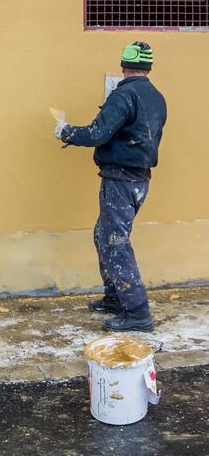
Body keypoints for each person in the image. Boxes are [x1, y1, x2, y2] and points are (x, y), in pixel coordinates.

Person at [55, 42, 167, 332]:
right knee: (103, 235)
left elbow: (97, 133)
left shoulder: (124, 95)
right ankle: (115, 297)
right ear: (149, 67)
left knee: (115, 244)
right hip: (140, 180)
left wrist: (66, 131)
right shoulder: (156, 97)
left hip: (119, 179)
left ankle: (137, 313)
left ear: (123, 65)